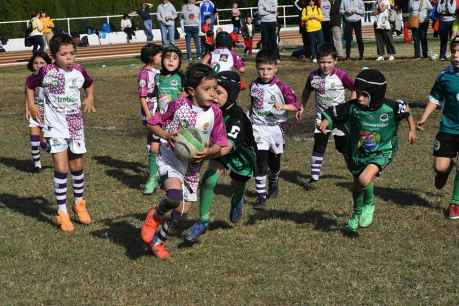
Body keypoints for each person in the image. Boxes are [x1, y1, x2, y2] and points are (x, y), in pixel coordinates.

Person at [140, 63, 229, 259]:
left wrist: (208, 151)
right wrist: (167, 135)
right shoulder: (179, 105)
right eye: (207, 89)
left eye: (215, 89)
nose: (213, 93)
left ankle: (158, 241)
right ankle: (154, 217)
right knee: (173, 196)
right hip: (170, 158)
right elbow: (153, 123)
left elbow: (221, 143)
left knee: (181, 213)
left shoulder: (215, 113)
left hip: (192, 168)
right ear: (191, 91)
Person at [319, 69, 416, 236]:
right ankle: (356, 215)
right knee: (357, 184)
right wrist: (325, 122)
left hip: (384, 150)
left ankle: (369, 204)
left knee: (364, 178)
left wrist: (412, 129)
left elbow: (406, 110)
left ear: (376, 95)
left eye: (364, 95)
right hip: (359, 152)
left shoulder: (391, 107)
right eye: (357, 93)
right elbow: (331, 112)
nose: (359, 98)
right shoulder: (353, 107)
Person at [26, 34, 96, 232]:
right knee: (61, 167)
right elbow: (30, 84)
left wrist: (89, 97)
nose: (69, 58)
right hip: (55, 127)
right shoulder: (46, 72)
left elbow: (89, 83)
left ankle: (79, 203)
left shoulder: (80, 71)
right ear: (53, 55)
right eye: (64, 54)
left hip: (75, 125)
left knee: (77, 165)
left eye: (72, 53)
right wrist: (31, 105)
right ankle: (62, 211)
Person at [183, 71, 257, 242]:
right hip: (218, 148)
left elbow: (226, 148)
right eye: (212, 90)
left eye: (219, 92)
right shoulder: (208, 109)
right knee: (209, 179)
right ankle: (202, 221)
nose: (214, 96)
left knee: (239, 182)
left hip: (242, 154)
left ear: (231, 95)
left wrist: (205, 153)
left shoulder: (236, 117)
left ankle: (237, 199)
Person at [296, 46, 355, 189]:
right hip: (321, 117)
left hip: (339, 119)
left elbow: (354, 89)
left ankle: (356, 174)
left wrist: (350, 107)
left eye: (329, 62)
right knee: (319, 145)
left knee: (344, 148)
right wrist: (302, 106)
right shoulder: (313, 76)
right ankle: (314, 178)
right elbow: (306, 91)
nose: (325, 65)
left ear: (335, 61)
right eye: (322, 62)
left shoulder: (341, 75)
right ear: (318, 62)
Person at [250, 49, 300, 209]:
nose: (265, 72)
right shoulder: (254, 85)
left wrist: (283, 106)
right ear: (257, 68)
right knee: (260, 162)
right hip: (258, 128)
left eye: (269, 69)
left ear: (275, 69)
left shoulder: (281, 87)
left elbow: (297, 105)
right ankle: (261, 197)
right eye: (262, 69)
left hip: (276, 129)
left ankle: (274, 181)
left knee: (274, 162)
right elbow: (254, 105)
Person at [417, 36, 459, 219]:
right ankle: (446, 170)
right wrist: (424, 118)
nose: (456, 55)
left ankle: (455, 203)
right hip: (448, 128)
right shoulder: (444, 76)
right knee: (440, 167)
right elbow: (435, 99)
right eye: (454, 51)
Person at [137, 43, 163, 195]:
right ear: (151, 57)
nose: (162, 58)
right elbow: (142, 95)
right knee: (156, 142)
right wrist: (148, 114)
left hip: (157, 110)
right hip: (152, 111)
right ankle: (154, 178)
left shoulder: (155, 71)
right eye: (160, 55)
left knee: (152, 141)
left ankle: (155, 173)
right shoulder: (145, 73)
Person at [24, 51, 52, 172]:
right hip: (35, 112)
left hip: (50, 114)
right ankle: (37, 165)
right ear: (32, 64)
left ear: (47, 64)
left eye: (42, 63)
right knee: (34, 141)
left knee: (45, 142)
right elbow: (28, 95)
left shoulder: (52, 77)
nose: (39, 65)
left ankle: (48, 147)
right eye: (36, 63)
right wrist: (28, 109)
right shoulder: (30, 79)